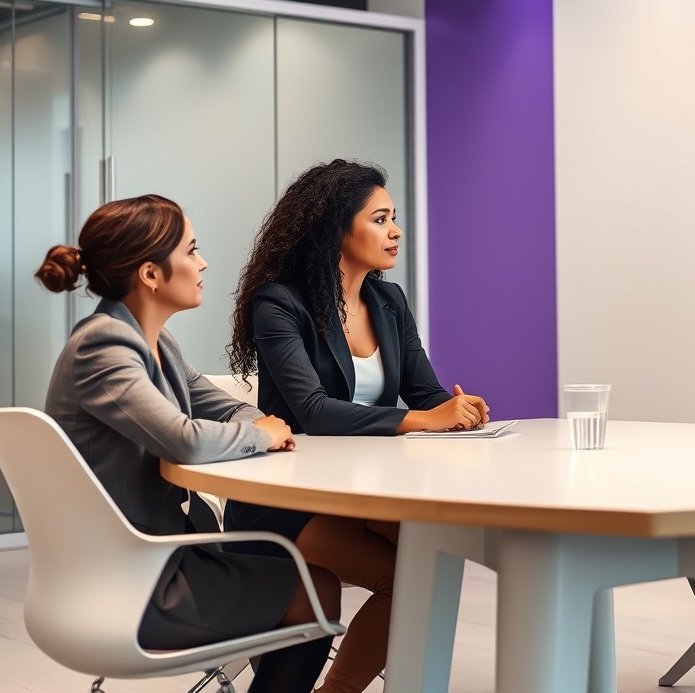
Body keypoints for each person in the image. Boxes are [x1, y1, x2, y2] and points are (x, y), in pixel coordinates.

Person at [37, 194, 338, 693]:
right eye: (191, 250)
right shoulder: (103, 346)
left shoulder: (155, 342)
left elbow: (220, 407)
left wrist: (259, 424)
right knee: (315, 587)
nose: (203, 262)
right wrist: (261, 434)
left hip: (154, 557)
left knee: (303, 576)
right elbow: (186, 441)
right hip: (127, 582)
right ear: (151, 274)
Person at [225, 159, 489, 693]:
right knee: (412, 578)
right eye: (380, 219)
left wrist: (458, 409)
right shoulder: (280, 303)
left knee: (434, 561)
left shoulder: (387, 301)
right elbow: (313, 411)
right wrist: (423, 419)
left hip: (361, 493)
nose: (395, 232)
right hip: (290, 499)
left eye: (394, 218)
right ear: (335, 229)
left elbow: (425, 393)